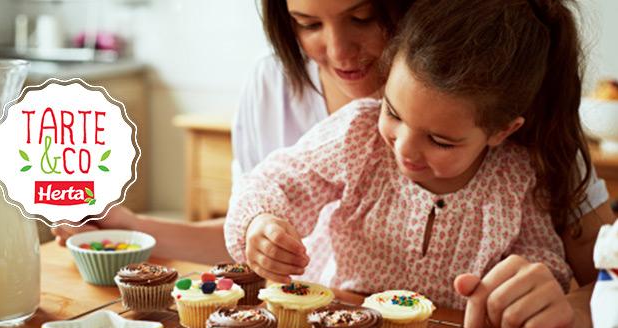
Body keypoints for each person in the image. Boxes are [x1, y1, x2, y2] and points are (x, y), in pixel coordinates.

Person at [223, 0, 613, 328]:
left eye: (441, 141)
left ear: (502, 131)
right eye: (392, 112)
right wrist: (261, 223)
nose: (405, 149)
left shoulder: (518, 178)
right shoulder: (356, 134)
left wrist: (529, 297)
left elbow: (544, 259)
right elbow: (275, 181)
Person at [50, 0, 412, 263]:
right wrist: (131, 230)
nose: (338, 51)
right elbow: (245, 239)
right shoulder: (272, 83)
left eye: (363, 18)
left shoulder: (443, 105)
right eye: (308, 24)